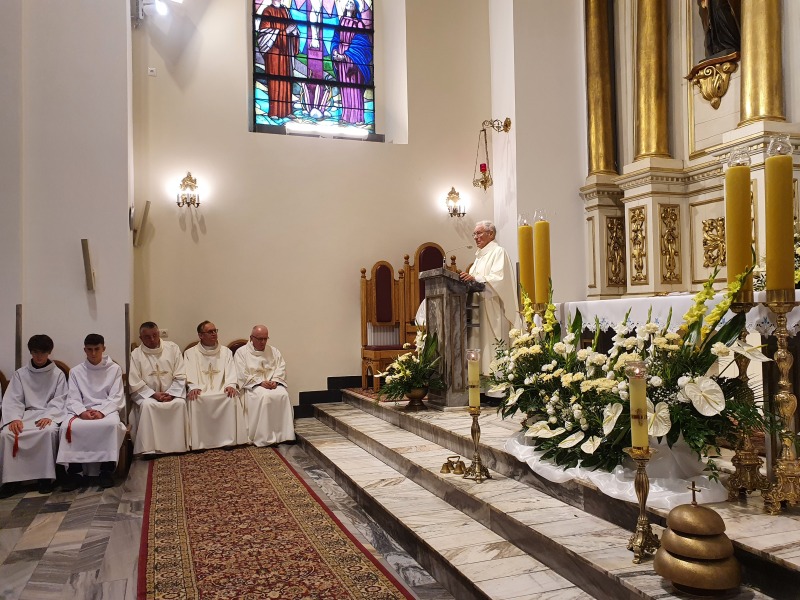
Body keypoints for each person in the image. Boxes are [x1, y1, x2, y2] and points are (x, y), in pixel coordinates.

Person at [56, 334, 126, 490]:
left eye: (97, 349)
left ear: (103, 348)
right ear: (84, 350)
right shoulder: (76, 371)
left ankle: (106, 471)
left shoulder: (114, 369)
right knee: (67, 427)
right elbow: (73, 397)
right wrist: (82, 412)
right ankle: (75, 472)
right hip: (83, 410)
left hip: (106, 410)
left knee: (111, 425)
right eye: (89, 349)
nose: (93, 353)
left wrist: (101, 412)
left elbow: (116, 396)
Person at [0, 335, 67, 497]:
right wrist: (14, 418)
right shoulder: (20, 374)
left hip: (47, 415)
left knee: (48, 431)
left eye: (43, 352)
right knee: (7, 433)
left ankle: (45, 478)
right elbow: (13, 399)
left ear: (49, 352)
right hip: (25, 415)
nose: (39, 356)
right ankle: (12, 481)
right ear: (30, 352)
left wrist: (50, 415)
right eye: (35, 352)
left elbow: (61, 399)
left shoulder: (57, 374)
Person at [459, 220, 520, 375]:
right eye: (474, 234)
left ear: (491, 234)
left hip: (492, 308)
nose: (475, 237)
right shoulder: (479, 258)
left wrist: (475, 278)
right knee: (479, 344)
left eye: (479, 233)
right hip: (477, 308)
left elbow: (499, 279)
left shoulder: (498, 252)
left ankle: (497, 383)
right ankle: (478, 381)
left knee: (492, 344)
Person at [128, 322, 189, 455]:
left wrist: (171, 393)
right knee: (148, 406)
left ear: (159, 333)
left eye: (155, 335)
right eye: (147, 337)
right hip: (149, 396)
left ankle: (177, 447)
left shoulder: (172, 348)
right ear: (141, 338)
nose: (152, 339)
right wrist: (153, 394)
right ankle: (149, 449)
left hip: (171, 394)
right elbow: (135, 381)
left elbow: (180, 374)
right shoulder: (136, 354)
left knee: (179, 403)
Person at [184, 321, 241, 450]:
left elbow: (231, 370)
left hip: (221, 388)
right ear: (200, 335)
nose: (214, 334)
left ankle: (227, 440)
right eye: (210, 332)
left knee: (230, 397)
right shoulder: (190, 353)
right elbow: (189, 372)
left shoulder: (226, 352)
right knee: (195, 399)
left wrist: (231, 384)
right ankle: (200, 443)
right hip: (200, 390)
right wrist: (193, 387)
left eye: (215, 331)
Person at [234, 325, 295, 446]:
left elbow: (281, 367)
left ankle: (285, 435)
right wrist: (260, 382)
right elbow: (241, 374)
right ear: (251, 338)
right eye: (259, 339)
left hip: (271, 384)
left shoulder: (273, 351)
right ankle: (265, 437)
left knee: (283, 395)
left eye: (265, 339)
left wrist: (275, 380)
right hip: (253, 387)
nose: (263, 342)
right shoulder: (241, 353)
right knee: (265, 396)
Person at [332, 0, 372, 124]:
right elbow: (336, 38)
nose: (349, 3)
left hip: (353, 59)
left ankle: (358, 118)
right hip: (341, 59)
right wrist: (335, 51)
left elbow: (361, 42)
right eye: (348, 1)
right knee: (345, 88)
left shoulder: (358, 24)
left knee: (355, 89)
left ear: (355, 8)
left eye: (352, 2)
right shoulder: (341, 21)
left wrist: (346, 56)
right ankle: (346, 116)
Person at [257, 0, 299, 119]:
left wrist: (294, 33)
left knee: (286, 80)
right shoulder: (267, 11)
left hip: (286, 52)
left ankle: (287, 111)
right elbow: (264, 35)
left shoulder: (286, 11)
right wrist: (285, 32)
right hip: (274, 53)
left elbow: (292, 29)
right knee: (275, 81)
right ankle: (274, 112)